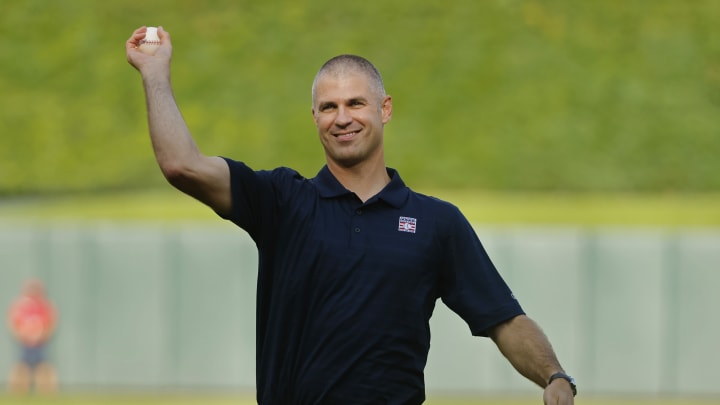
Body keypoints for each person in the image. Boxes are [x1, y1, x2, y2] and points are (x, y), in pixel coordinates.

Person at [126, 26, 576, 404]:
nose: (342, 118)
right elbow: (181, 165)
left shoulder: (436, 223)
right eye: (328, 107)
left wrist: (554, 376)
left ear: (384, 109)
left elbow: (504, 319)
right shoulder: (282, 202)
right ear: (315, 117)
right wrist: (155, 73)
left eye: (355, 103)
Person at [6, 278, 58, 394]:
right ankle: (17, 391)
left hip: (40, 342)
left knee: (43, 366)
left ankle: (47, 391)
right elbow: (12, 322)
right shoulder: (21, 305)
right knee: (21, 366)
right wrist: (22, 335)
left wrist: (43, 335)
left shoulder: (44, 305)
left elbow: (51, 322)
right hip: (25, 341)